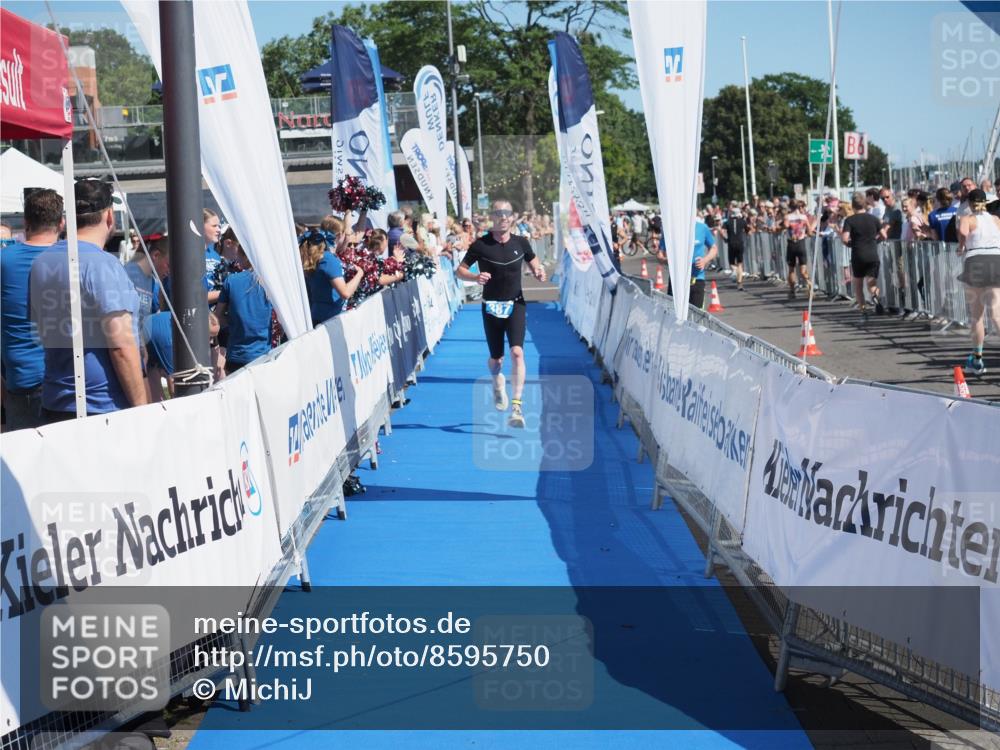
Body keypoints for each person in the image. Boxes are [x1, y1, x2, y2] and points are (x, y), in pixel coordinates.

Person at [29, 180, 147, 421]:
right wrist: (142, 410)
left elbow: (40, 329)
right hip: (101, 408)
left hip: (55, 403)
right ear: (109, 216)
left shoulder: (41, 262)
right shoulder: (104, 265)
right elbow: (121, 345)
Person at [456, 200, 545, 429]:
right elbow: (460, 271)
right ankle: (497, 383)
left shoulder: (521, 242)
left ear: (512, 217)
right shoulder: (481, 245)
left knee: (517, 353)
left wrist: (538, 270)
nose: (504, 217)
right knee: (497, 360)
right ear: (493, 217)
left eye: (507, 213)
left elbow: (534, 261)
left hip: (516, 304)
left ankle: (516, 406)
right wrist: (475, 278)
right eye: (499, 213)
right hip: (491, 307)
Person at [1, 189, 64, 430]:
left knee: (23, 465)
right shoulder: (72, 258)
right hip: (67, 380)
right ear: (61, 222)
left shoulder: (4, 260)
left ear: (26, 222)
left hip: (20, 380)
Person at [956, 188, 1000, 376]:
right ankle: (977, 359)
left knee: (977, 315)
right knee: (996, 313)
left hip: (976, 261)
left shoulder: (967, 218)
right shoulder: (996, 219)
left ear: (969, 203)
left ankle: (978, 359)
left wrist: (960, 246)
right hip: (996, 259)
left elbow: (963, 231)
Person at [214, 243, 273, 374]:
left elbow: (218, 316)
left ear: (245, 257)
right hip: (263, 354)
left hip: (236, 354)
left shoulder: (231, 281)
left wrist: (233, 323)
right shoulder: (270, 282)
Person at [145, 310, 221, 397]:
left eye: (214, 338)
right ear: (198, 331)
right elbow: (174, 387)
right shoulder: (170, 343)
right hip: (139, 344)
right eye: (210, 337)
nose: (211, 342)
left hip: (150, 337)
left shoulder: (189, 319)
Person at [300, 228, 362, 326]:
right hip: (331, 319)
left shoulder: (313, 260)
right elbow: (345, 293)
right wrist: (360, 274)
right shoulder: (328, 259)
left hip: (317, 315)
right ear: (339, 236)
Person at [841, 193, 884, 322]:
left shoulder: (850, 220)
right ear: (865, 204)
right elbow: (884, 235)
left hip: (858, 254)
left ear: (853, 206)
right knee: (872, 284)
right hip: (872, 254)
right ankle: (875, 296)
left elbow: (844, 239)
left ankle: (864, 312)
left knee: (858, 285)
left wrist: (850, 244)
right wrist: (876, 241)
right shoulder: (874, 219)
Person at [666, 215, 718, 309]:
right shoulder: (671, 229)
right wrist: (669, 260)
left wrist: (704, 260)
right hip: (676, 280)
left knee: (695, 316)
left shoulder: (702, 228)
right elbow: (660, 254)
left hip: (696, 279)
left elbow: (714, 248)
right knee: (675, 316)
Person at [124, 234, 169, 337]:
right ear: (156, 256)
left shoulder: (153, 283)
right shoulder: (127, 274)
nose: (169, 272)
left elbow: (158, 313)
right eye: (168, 265)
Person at [781, 199, 813, 300]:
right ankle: (809, 283)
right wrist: (806, 232)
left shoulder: (787, 216)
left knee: (791, 269)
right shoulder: (804, 217)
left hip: (792, 244)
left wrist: (783, 224)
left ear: (790, 207)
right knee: (803, 270)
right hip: (801, 243)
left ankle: (792, 291)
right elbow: (809, 231)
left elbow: (786, 226)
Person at [721, 206, 748, 290]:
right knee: (740, 263)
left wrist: (725, 239)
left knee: (732, 263)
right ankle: (739, 282)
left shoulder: (727, 222)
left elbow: (721, 231)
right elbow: (748, 230)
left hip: (731, 243)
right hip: (740, 243)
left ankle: (735, 272)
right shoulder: (742, 221)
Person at [203, 208, 224, 304]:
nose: (219, 230)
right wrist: (229, 291)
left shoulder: (216, 255)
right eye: (214, 226)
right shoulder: (188, 253)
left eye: (219, 226)